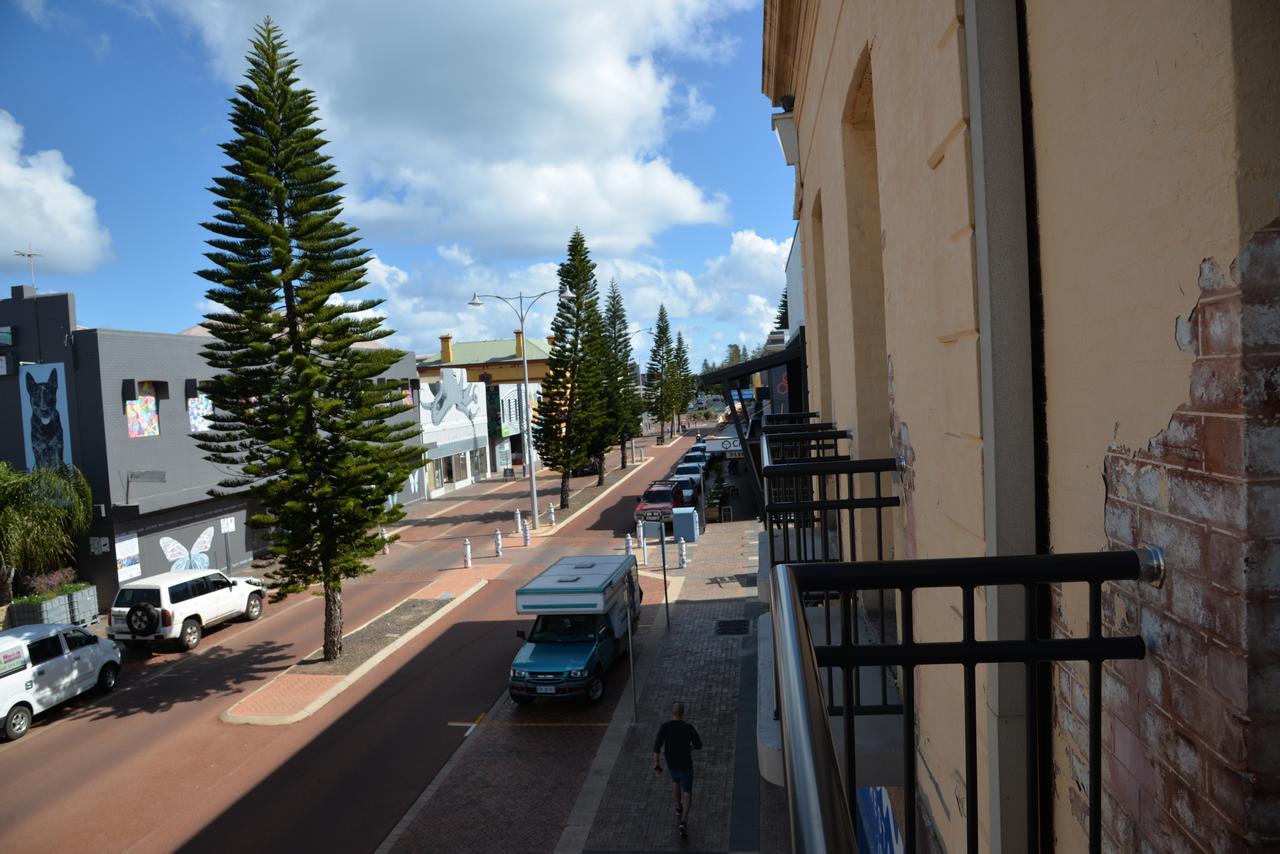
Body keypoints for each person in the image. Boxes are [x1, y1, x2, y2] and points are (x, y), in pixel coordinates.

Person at [653, 701, 702, 838]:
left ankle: (677, 807)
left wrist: (656, 765)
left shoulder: (665, 727)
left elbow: (656, 747)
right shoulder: (688, 728)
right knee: (687, 792)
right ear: (683, 713)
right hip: (686, 766)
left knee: (675, 781)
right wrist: (690, 748)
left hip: (672, 764)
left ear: (672, 712)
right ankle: (684, 821)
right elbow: (698, 745)